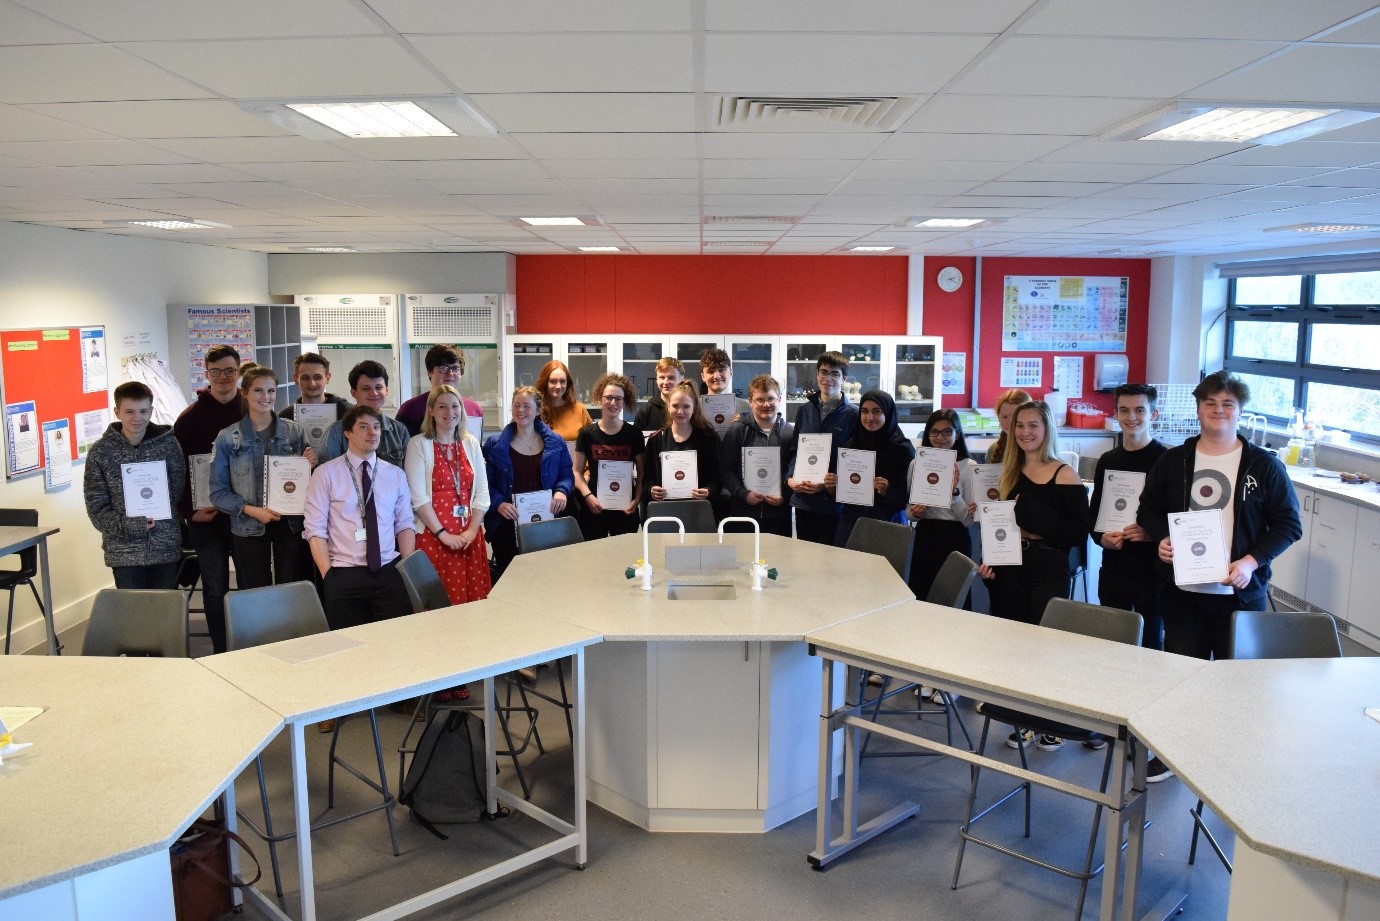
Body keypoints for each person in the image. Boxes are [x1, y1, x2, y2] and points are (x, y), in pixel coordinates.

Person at [1139, 371, 1302, 660]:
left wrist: (1251, 564)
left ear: (1240, 411)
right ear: (1198, 410)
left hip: (1239, 594)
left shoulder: (1264, 466)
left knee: (1236, 684)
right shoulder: (1173, 460)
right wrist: (1162, 537)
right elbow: (1148, 510)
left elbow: (1288, 525)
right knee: (1182, 678)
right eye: (1210, 402)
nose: (1218, 410)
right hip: (1182, 593)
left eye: (1228, 403)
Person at [304, 404, 415, 631]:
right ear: (347, 433)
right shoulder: (325, 474)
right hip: (344, 574)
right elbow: (315, 529)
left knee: (397, 640)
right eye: (363, 426)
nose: (372, 433)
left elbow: (404, 524)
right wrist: (329, 576)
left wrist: (407, 568)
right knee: (349, 647)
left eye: (376, 427)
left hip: (388, 570)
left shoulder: (395, 474)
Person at [209, 365, 315, 590]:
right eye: (258, 391)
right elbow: (218, 493)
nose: (266, 397)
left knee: (292, 590)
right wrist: (251, 510)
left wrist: (310, 467)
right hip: (248, 525)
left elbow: (308, 485)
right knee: (255, 592)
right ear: (244, 392)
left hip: (290, 524)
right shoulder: (228, 438)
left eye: (271, 391)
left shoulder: (295, 433)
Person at [172, 345, 242, 652]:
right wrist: (189, 512)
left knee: (251, 588)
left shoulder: (251, 409)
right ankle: (221, 651)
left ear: (239, 372)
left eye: (229, 371)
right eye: (216, 371)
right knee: (214, 588)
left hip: (244, 516)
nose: (223, 377)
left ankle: (250, 644)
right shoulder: (188, 419)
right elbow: (177, 472)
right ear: (206, 374)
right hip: (207, 518)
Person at [1088, 384, 1168, 650]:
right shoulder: (1108, 460)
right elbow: (1095, 514)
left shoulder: (1166, 461)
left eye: (1139, 410)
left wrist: (1151, 533)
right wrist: (1101, 539)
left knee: (1150, 643)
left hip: (1151, 570)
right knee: (1111, 642)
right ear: (1116, 414)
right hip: (1114, 565)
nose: (1131, 417)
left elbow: (1176, 517)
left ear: (1154, 414)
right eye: (1124, 410)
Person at [84, 381, 186, 589]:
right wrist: (131, 525)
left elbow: (177, 489)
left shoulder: (168, 444)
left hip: (164, 546)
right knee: (132, 616)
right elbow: (97, 507)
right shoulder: (101, 452)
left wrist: (158, 511)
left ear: (151, 411)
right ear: (117, 412)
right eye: (129, 411)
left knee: (166, 613)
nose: (137, 418)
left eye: (143, 411)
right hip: (124, 551)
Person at [405, 385, 492, 606]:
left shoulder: (470, 442)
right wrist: (443, 535)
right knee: (438, 603)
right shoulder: (418, 444)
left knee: (473, 603)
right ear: (431, 410)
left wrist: (472, 530)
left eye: (455, 406)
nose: (449, 412)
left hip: (468, 538)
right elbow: (418, 498)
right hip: (434, 537)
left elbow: (482, 492)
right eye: (442, 406)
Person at [484, 386, 575, 578]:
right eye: (516, 405)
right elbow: (484, 484)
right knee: (510, 581)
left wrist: (561, 491)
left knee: (547, 578)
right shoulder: (494, 444)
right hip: (507, 525)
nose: (520, 410)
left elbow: (567, 474)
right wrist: (498, 503)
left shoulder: (556, 442)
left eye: (526, 405)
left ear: (538, 409)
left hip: (546, 523)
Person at [824, 390, 916, 547]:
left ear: (888, 413)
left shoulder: (902, 450)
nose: (869, 417)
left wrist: (887, 491)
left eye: (877, 411)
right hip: (852, 523)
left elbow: (909, 499)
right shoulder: (851, 446)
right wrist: (831, 488)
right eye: (864, 411)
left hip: (888, 524)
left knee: (884, 570)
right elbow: (839, 494)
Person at [786, 351, 858, 544]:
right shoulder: (804, 410)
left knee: (830, 563)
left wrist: (827, 484)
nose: (828, 378)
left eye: (835, 374)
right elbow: (796, 450)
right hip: (803, 500)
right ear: (817, 375)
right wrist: (791, 478)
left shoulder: (853, 416)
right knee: (804, 558)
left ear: (844, 378)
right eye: (824, 372)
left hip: (833, 504)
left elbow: (853, 461)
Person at [905, 409, 976, 601]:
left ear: (957, 434)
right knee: (921, 594)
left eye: (947, 432)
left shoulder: (969, 466)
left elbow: (969, 520)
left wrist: (953, 492)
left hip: (956, 537)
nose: (940, 437)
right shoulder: (917, 464)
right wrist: (915, 512)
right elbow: (908, 514)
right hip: (925, 535)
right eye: (934, 432)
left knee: (953, 596)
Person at [720, 375, 794, 536]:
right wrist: (742, 494)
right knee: (743, 560)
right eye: (760, 400)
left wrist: (785, 496)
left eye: (771, 399)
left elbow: (793, 471)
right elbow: (726, 469)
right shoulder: (737, 430)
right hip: (743, 513)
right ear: (751, 401)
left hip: (779, 515)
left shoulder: (790, 433)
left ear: (780, 399)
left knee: (779, 560)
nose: (766, 404)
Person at [572, 373, 644, 539]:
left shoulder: (634, 434)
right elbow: (576, 472)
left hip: (626, 507)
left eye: (618, 398)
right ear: (600, 398)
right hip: (594, 507)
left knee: (625, 557)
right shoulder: (587, 434)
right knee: (595, 558)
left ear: (624, 402)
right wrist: (588, 496)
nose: (613, 403)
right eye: (609, 397)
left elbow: (642, 473)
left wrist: (637, 500)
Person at [642, 381, 722, 520]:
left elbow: (717, 478)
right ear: (667, 406)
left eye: (686, 406)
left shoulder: (708, 439)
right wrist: (651, 489)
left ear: (694, 408)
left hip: (698, 512)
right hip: (665, 512)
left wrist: (709, 491)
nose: (680, 411)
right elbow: (647, 478)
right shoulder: (656, 439)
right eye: (675, 406)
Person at [320, 360, 410, 468]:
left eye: (379, 387)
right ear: (354, 393)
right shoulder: (337, 432)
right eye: (366, 388)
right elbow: (328, 474)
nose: (374, 393)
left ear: (387, 391)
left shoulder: (399, 431)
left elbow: (408, 475)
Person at [396, 344, 484, 437]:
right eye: (443, 368)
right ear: (430, 372)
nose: (450, 373)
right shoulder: (411, 409)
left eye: (455, 368)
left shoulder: (474, 410)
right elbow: (402, 449)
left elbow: (476, 448)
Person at [280, 351, 350, 422]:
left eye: (317, 377)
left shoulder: (347, 412)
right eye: (305, 378)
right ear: (295, 379)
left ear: (327, 378)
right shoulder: (285, 417)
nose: (312, 383)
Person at [536, 359, 593, 440]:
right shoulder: (535, 411)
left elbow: (593, 440)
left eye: (562, 381)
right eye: (553, 381)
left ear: (567, 383)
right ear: (545, 383)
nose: (558, 386)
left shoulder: (579, 409)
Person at [633, 356, 683, 431]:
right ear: (657, 380)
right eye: (662, 377)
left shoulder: (689, 409)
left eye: (671, 378)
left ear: (681, 379)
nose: (666, 382)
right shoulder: (646, 411)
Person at [984, 388, 1032, 465]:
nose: (1009, 422)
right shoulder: (994, 449)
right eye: (1004, 417)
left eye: (1015, 417)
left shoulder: (1035, 449)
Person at [698, 348, 750, 415]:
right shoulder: (693, 408)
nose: (716, 376)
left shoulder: (747, 408)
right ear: (703, 376)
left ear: (731, 373)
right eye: (710, 371)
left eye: (721, 370)